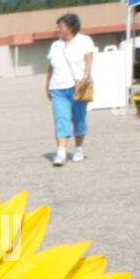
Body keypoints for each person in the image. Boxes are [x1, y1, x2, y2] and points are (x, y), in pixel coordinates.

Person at [45, 13, 96, 166]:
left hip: (78, 87)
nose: (57, 29)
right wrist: (47, 85)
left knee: (79, 120)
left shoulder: (84, 40)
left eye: (61, 26)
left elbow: (88, 61)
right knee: (61, 119)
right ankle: (60, 153)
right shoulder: (55, 45)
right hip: (58, 88)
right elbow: (50, 67)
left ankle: (79, 148)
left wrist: (85, 77)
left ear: (71, 27)